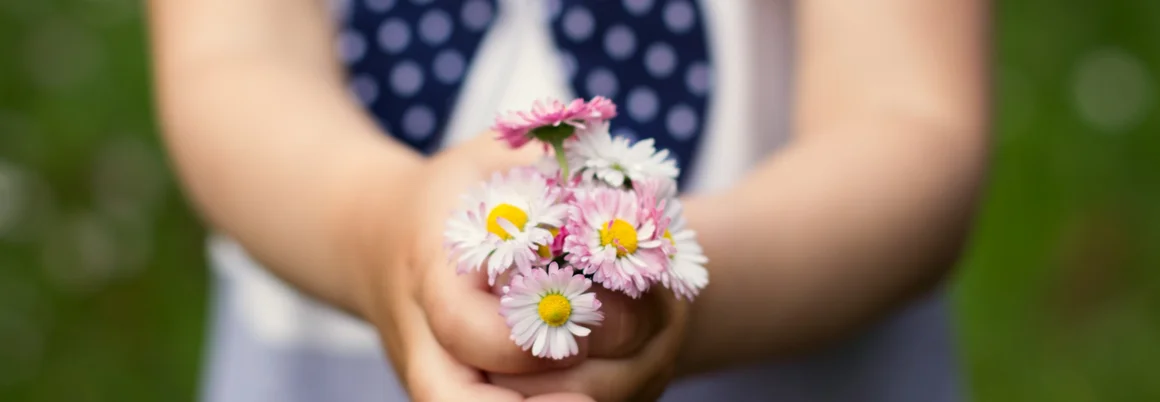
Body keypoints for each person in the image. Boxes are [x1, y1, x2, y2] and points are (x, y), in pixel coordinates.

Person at [148, 0, 988, 401]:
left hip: (784, 343)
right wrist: (377, 238)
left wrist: (673, 289)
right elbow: (229, 63)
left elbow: (910, 119)